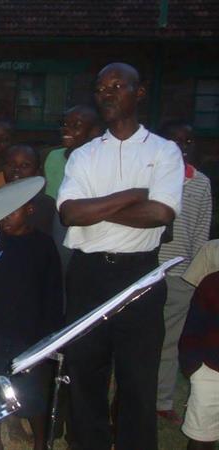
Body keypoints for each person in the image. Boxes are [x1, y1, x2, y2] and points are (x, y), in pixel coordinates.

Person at [57, 62, 183, 450]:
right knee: (85, 376)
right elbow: (70, 213)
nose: (107, 94)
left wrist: (97, 207)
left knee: (138, 381)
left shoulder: (164, 151)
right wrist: (132, 195)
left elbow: (160, 213)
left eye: (116, 86)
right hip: (88, 275)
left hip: (139, 276)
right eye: (100, 88)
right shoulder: (83, 155)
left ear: (138, 92)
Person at [0, 199, 63, 450]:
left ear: (29, 210)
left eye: (12, 212)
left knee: (32, 391)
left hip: (30, 331)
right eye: (2, 213)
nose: (5, 218)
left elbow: (53, 292)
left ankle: (40, 442)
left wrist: (49, 336)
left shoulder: (43, 245)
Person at [155, 120, 213, 423]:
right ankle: (129, 393)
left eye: (187, 141)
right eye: (174, 140)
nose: (181, 146)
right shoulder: (151, 174)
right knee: (140, 337)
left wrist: (195, 274)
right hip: (148, 269)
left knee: (169, 339)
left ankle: (162, 400)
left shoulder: (201, 183)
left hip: (181, 273)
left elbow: (201, 230)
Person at [178, 271, 219, 450]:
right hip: (211, 372)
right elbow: (193, 328)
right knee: (202, 437)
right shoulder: (213, 282)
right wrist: (195, 368)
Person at [44, 105, 101, 199]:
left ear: (94, 132)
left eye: (76, 126)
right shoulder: (53, 156)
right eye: (64, 124)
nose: (65, 129)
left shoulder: (98, 161)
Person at [3, 144, 57, 236]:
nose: (16, 170)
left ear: (37, 171)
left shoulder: (45, 204)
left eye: (24, 166)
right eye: (11, 164)